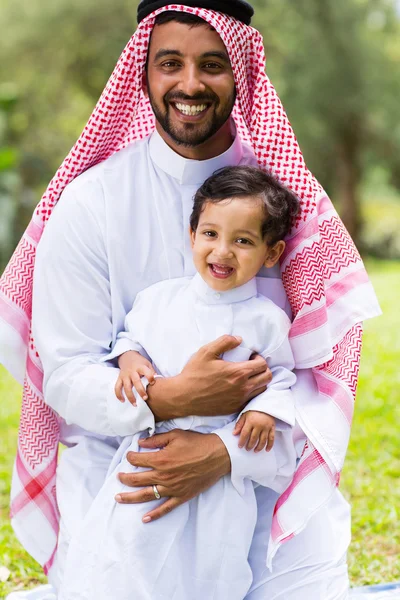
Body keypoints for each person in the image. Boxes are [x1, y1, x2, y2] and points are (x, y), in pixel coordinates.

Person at [0, 1, 381, 599]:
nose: (190, 84)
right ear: (142, 74)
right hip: (124, 476)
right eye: (169, 63)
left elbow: (318, 381)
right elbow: (67, 372)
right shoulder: (90, 202)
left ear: (242, 73)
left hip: (263, 477)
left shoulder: (285, 207)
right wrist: (166, 398)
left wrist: (225, 452)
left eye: (212, 64)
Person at [58, 165, 299, 599]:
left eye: (242, 241)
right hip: (148, 453)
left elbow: (281, 378)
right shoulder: (160, 300)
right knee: (126, 554)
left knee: (209, 567)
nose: (222, 252)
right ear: (191, 236)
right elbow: (130, 339)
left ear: (271, 252)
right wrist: (130, 360)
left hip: (220, 478)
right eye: (210, 234)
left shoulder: (267, 322)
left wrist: (265, 410)